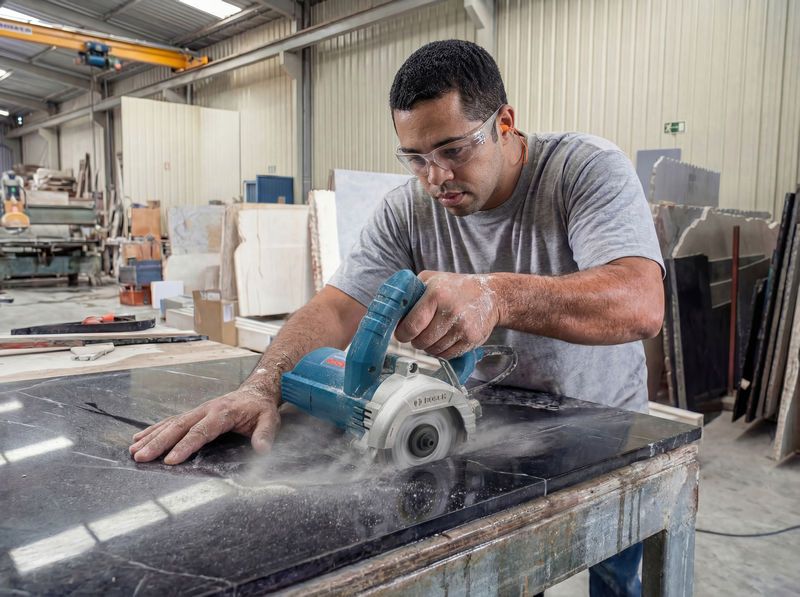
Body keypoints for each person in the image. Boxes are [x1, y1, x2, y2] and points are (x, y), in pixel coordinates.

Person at [130, 40, 663, 596]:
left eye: (453, 150)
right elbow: (338, 306)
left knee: (615, 566)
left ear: (504, 123)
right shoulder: (408, 207)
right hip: (484, 419)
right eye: (415, 157)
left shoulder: (582, 169)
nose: (435, 177)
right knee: (507, 570)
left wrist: (496, 297)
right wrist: (265, 384)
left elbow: (640, 303)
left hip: (599, 420)